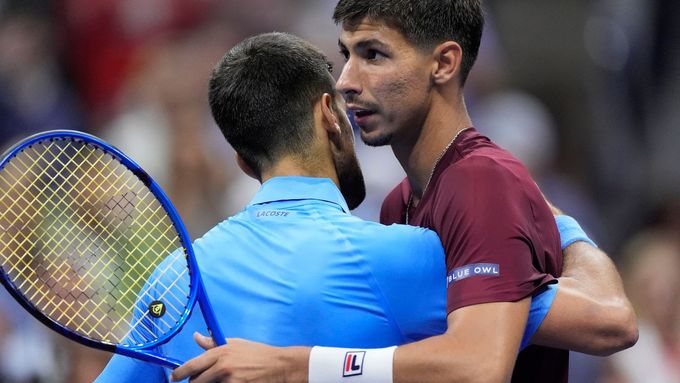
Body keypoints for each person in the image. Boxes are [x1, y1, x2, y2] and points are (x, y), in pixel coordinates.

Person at [171, 1, 637, 383]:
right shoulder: (400, 201)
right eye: (347, 54)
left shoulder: (481, 182)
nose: (345, 82)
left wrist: (292, 363)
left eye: (373, 55)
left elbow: (480, 365)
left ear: (444, 63)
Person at [94, 31, 552, 383]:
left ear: (241, 160)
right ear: (329, 115)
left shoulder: (176, 279)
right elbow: (603, 322)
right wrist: (556, 224)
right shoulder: (404, 256)